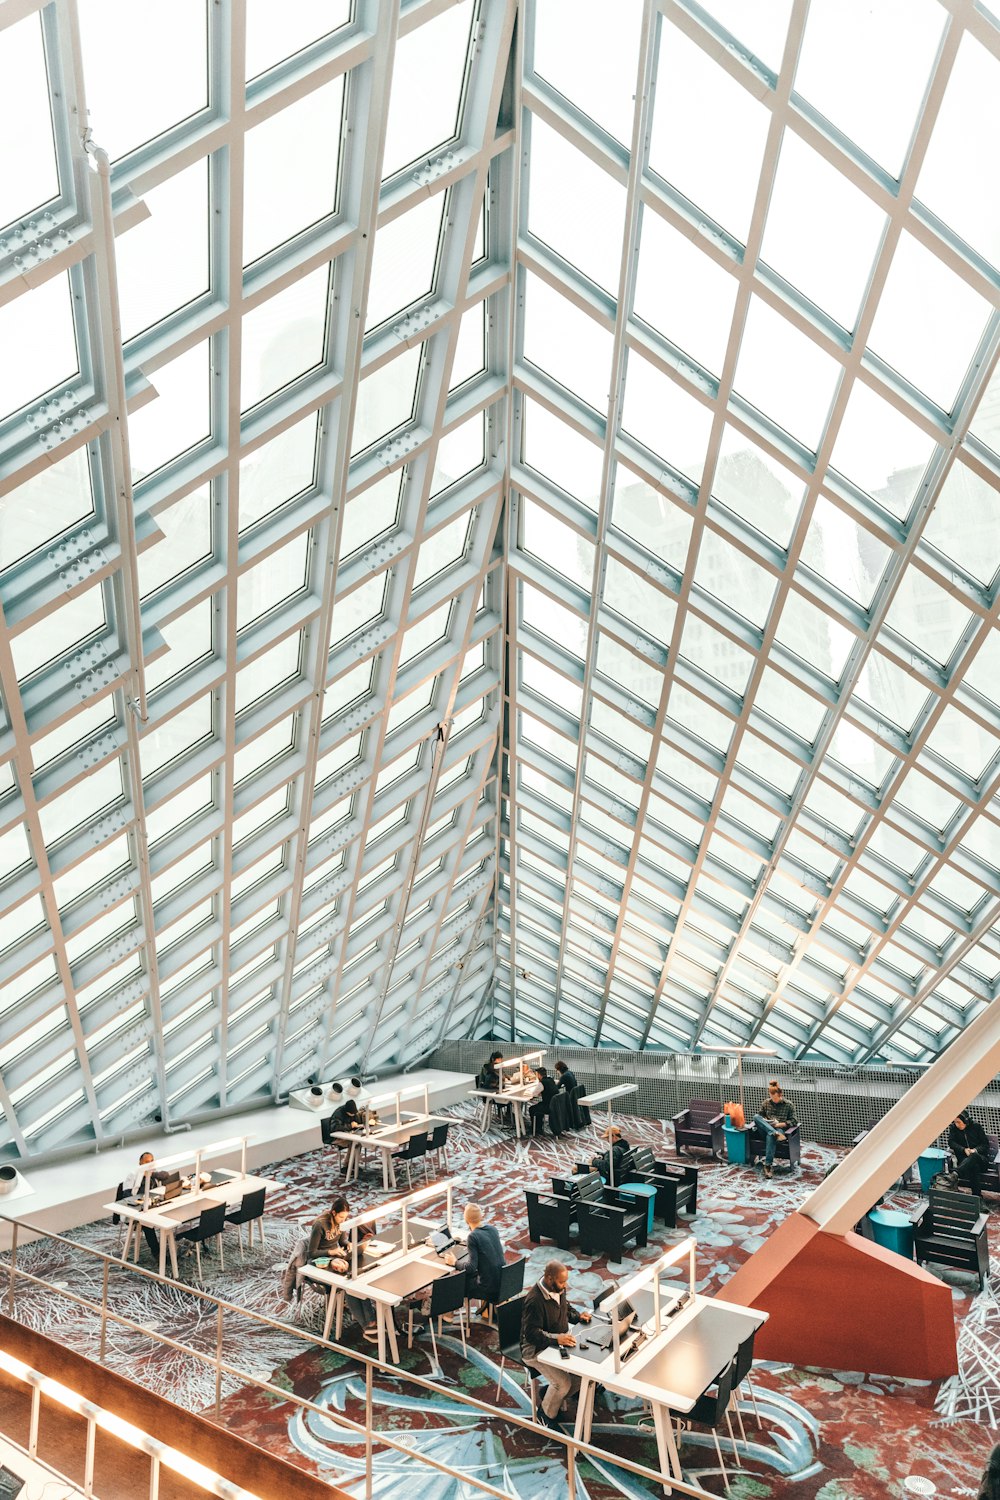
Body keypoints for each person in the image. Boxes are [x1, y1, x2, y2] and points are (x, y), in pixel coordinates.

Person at [520, 1260, 591, 1429]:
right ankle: (545, 1415)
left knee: (583, 1376)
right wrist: (556, 1339)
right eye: (561, 1282)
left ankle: (550, 1394)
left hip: (555, 1343)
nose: (564, 1286)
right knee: (563, 1384)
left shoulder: (557, 1289)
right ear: (549, 1278)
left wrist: (578, 1316)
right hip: (535, 1350)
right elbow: (531, 1334)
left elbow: (565, 1308)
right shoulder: (534, 1301)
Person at [306, 1197, 377, 1342]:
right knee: (348, 1285)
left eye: (345, 1217)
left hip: (336, 1257)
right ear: (333, 1213)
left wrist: (349, 1244)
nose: (343, 1221)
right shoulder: (320, 1225)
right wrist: (331, 1253)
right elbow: (311, 1253)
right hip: (320, 1262)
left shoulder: (341, 1224)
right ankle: (367, 1325)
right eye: (341, 1217)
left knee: (358, 1280)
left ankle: (371, 1321)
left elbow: (342, 1241)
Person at [460, 1203, 504, 1313]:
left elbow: (470, 1267)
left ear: (466, 1219)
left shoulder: (472, 1237)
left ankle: (448, 1314)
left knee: (459, 1281)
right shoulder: (493, 1229)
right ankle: (485, 1309)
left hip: (488, 1288)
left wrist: (454, 1262)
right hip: (503, 1282)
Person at [752, 1080, 798, 1178]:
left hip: (779, 1131)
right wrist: (766, 1122)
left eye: (775, 1098)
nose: (774, 1100)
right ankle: (773, 1132)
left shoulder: (788, 1105)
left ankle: (768, 1166)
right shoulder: (766, 1103)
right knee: (756, 1117)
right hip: (766, 1128)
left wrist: (779, 1125)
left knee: (770, 1136)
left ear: (780, 1094)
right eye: (772, 1098)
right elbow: (760, 1116)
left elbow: (794, 1121)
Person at [122, 1152, 161, 1261]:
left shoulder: (153, 1174)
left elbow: (165, 1176)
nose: (150, 1164)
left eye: (151, 1161)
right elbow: (126, 1194)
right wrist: (139, 1201)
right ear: (140, 1163)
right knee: (147, 1224)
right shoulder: (132, 1175)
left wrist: (151, 1174)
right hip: (138, 1208)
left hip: (152, 1204)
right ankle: (156, 1252)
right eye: (147, 1162)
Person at [947, 1112, 991, 1195]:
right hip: (965, 1162)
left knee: (973, 1156)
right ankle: (977, 1198)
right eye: (955, 1122)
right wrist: (963, 1150)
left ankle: (955, 1173)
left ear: (966, 1121)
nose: (957, 1125)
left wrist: (975, 1150)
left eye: (959, 1122)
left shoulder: (976, 1127)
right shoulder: (953, 1128)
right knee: (974, 1167)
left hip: (981, 1160)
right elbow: (951, 1142)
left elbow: (985, 1145)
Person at [529, 1066, 559, 1136]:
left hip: (548, 1106)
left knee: (532, 1109)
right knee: (539, 1105)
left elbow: (534, 1094)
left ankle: (536, 1129)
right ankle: (539, 1126)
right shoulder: (551, 1079)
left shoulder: (542, 1083)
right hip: (555, 1104)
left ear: (539, 1075)